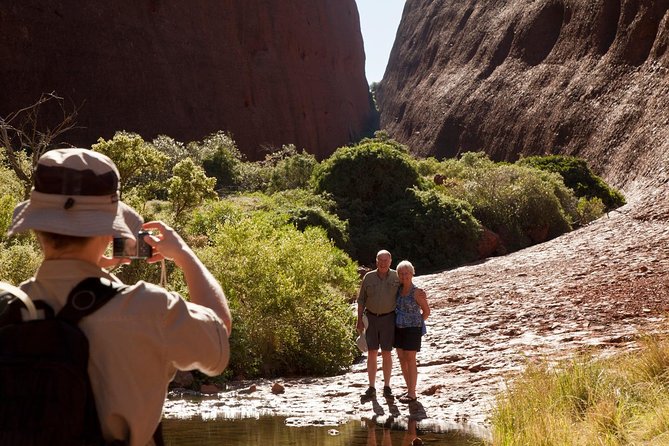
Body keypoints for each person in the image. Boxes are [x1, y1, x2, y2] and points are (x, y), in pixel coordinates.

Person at [6, 148, 232, 445]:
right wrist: (184, 255)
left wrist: (93, 264)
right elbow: (219, 333)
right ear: (107, 231)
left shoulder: (7, 309)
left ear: (38, 228)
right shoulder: (150, 309)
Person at [357, 249, 399, 398]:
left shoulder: (397, 276)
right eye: (380, 260)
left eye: (385, 261)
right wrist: (359, 320)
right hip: (371, 318)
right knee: (372, 352)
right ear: (376, 261)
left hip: (389, 319)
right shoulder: (368, 277)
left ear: (390, 261)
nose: (382, 263)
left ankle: (387, 386)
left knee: (387, 352)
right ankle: (371, 387)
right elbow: (361, 300)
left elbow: (406, 292)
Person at [394, 260, 430, 404]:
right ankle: (409, 389)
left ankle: (412, 393)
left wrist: (415, 322)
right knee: (402, 359)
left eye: (407, 273)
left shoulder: (417, 292)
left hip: (412, 330)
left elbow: (426, 312)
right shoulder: (398, 290)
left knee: (410, 359)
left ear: (412, 273)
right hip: (398, 328)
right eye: (401, 273)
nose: (404, 276)